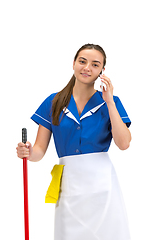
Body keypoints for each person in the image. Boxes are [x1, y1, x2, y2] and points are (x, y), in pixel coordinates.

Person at [17, 43, 132, 240]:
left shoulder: (111, 102)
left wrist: (110, 101)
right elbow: (38, 151)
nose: (87, 67)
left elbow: (124, 144)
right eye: (82, 61)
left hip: (103, 186)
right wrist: (27, 151)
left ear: (102, 72)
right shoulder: (53, 102)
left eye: (95, 65)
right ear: (73, 63)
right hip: (69, 186)